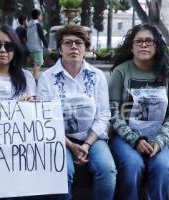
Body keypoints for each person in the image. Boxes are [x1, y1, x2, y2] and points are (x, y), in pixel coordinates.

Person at [37, 24, 116, 200]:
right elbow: (45, 117)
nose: (74, 46)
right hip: (59, 139)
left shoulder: (97, 76)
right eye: (68, 43)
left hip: (93, 138)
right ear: (60, 48)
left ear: (86, 48)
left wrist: (87, 144)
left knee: (107, 170)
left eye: (79, 43)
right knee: (62, 174)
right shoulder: (47, 78)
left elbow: (104, 115)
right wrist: (71, 146)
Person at [108, 24, 169, 200]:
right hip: (125, 136)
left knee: (162, 169)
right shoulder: (121, 72)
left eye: (149, 41)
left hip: (158, 137)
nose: (144, 45)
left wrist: (161, 141)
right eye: (138, 42)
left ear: (157, 45)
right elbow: (112, 111)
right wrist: (134, 139)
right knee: (132, 165)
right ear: (131, 47)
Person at [26, 8, 48, 79]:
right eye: (41, 15)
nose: (41, 17)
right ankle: (34, 80)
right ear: (38, 16)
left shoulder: (29, 25)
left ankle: (31, 78)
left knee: (33, 65)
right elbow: (41, 36)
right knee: (38, 64)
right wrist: (47, 46)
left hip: (29, 47)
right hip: (37, 48)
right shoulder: (37, 25)